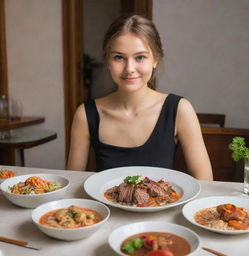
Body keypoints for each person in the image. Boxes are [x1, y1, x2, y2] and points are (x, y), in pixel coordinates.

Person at [67, 14, 213, 180]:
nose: (129, 68)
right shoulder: (86, 114)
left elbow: (205, 182)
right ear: (108, 61)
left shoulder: (180, 109)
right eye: (119, 57)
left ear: (155, 60)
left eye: (140, 57)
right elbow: (72, 183)